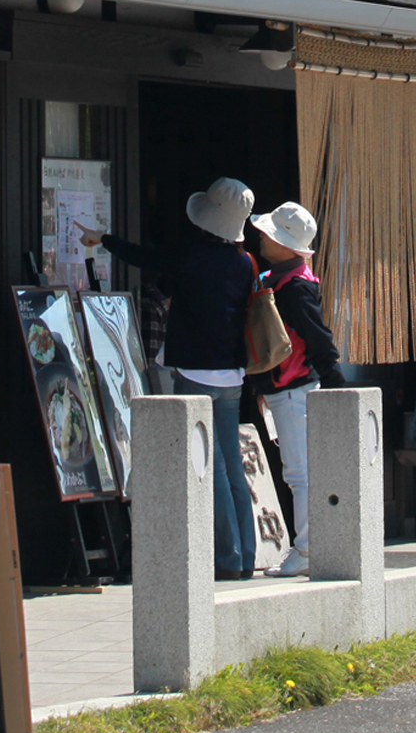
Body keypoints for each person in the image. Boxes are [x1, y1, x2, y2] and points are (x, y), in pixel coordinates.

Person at [91, 178, 261, 579]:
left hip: (193, 371)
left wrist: (103, 239)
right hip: (233, 375)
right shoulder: (245, 262)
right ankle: (247, 556)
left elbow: (143, 257)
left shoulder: (189, 256)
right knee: (232, 466)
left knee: (212, 466)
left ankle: (227, 558)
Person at [247, 201, 345, 578]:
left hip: (295, 391)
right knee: (300, 473)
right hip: (285, 389)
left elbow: (319, 341)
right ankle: (306, 547)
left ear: (287, 245)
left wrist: (336, 384)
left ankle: (305, 549)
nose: (262, 238)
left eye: (269, 235)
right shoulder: (286, 278)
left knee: (300, 475)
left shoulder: (294, 286)